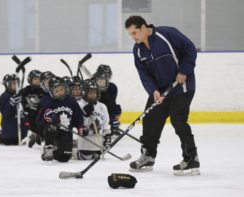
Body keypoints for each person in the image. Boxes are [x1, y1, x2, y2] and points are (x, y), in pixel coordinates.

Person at [125, 15, 200, 175]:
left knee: (178, 120)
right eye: (130, 34)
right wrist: (153, 90)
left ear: (144, 27)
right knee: (150, 119)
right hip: (161, 91)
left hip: (182, 87)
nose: (133, 37)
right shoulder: (138, 50)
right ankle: (148, 156)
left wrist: (184, 71)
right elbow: (144, 74)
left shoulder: (167, 34)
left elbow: (190, 49)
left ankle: (191, 158)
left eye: (134, 32)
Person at [37, 76, 84, 162]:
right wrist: (48, 115)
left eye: (61, 89)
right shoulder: (48, 102)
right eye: (56, 91)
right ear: (51, 92)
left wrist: (80, 127)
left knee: (64, 158)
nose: (60, 93)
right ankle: (48, 147)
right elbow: (40, 120)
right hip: (54, 132)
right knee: (51, 127)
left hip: (66, 131)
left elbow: (78, 116)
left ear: (65, 88)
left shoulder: (71, 101)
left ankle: (57, 149)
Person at [73, 79, 111, 160]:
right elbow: (76, 124)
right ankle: (75, 152)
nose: (93, 95)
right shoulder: (78, 104)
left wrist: (107, 135)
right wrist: (85, 115)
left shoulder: (102, 107)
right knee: (86, 156)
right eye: (90, 93)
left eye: (95, 92)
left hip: (98, 143)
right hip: (83, 141)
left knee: (97, 157)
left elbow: (105, 124)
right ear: (84, 93)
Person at [0, 74, 28, 145]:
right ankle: (0, 135)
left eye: (17, 83)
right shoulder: (4, 96)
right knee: (10, 141)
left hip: (23, 130)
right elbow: (5, 113)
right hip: (9, 132)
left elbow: (26, 112)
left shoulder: (22, 95)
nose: (15, 85)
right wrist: (11, 103)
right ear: (7, 85)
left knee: (25, 140)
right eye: (13, 83)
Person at [93, 65, 122, 136]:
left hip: (106, 112)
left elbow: (111, 104)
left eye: (108, 76)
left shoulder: (112, 87)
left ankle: (112, 124)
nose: (106, 78)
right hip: (95, 112)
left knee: (117, 108)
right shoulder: (91, 86)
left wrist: (112, 118)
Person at [20, 70, 44, 148]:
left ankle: (36, 137)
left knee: (41, 135)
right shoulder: (26, 90)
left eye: (39, 79)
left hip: (40, 115)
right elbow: (20, 97)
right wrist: (18, 96)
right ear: (30, 80)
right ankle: (30, 136)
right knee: (32, 126)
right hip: (29, 115)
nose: (37, 81)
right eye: (35, 79)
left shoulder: (43, 90)